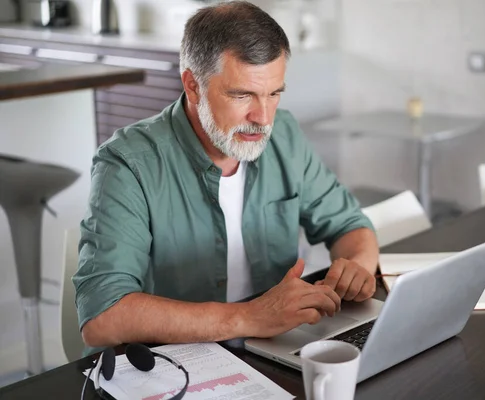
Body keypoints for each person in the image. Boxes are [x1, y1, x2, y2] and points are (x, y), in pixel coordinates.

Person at [73, 1, 379, 352]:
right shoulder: (128, 163)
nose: (263, 118)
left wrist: (358, 267)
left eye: (274, 93)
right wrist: (248, 317)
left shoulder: (285, 135)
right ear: (193, 86)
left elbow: (351, 225)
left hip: (268, 351)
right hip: (166, 365)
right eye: (242, 94)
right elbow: (102, 317)